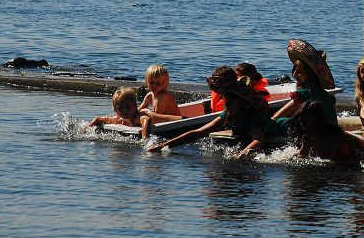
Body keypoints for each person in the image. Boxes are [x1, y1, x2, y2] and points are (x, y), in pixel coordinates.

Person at [149, 71, 281, 158]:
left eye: (231, 101)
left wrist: (240, 156)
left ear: (241, 101)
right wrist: (165, 145)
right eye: (225, 100)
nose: (227, 104)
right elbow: (198, 132)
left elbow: (258, 141)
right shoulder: (228, 114)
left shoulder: (252, 116)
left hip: (280, 128)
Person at [272, 39, 337, 129]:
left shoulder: (305, 94)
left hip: (319, 134)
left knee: (277, 123)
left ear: (310, 76)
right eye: (294, 70)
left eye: (299, 72)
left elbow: (275, 119)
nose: (294, 74)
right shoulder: (322, 93)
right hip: (330, 131)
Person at [288, 100, 364, 167]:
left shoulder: (337, 135)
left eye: (307, 120)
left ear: (317, 120)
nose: (302, 124)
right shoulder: (309, 137)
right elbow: (302, 155)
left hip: (361, 156)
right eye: (301, 120)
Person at [137, 64, 182, 138]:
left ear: (165, 84)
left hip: (177, 124)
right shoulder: (149, 95)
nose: (154, 85)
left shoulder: (164, 96)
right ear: (146, 81)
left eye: (158, 83)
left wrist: (147, 112)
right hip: (163, 122)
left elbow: (156, 119)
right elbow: (139, 110)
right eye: (151, 82)